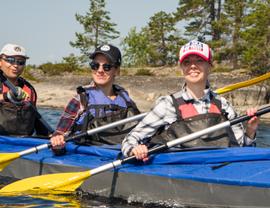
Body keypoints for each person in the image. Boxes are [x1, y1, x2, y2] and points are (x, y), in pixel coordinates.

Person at [122, 40, 259, 161]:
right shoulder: (167, 104)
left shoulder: (223, 105)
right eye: (187, 62)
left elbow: (242, 149)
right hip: (181, 176)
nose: (192, 66)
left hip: (219, 170)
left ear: (209, 66)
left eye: (199, 60)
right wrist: (134, 149)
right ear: (182, 68)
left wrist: (251, 130)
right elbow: (130, 139)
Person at [50, 44, 140, 151]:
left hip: (120, 153)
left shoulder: (124, 97)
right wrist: (57, 140)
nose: (100, 70)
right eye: (95, 65)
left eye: (107, 67)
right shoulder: (81, 98)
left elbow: (141, 128)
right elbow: (59, 133)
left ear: (117, 71)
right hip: (87, 156)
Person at [0, 43, 50, 136]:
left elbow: (35, 119)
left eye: (21, 62)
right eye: (10, 60)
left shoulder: (29, 89)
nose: (15, 65)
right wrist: (7, 96)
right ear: (0, 62)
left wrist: (50, 136)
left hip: (23, 144)